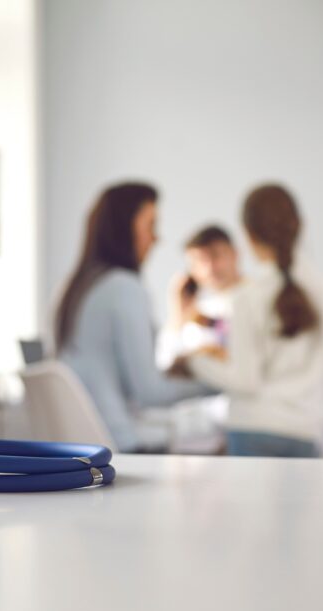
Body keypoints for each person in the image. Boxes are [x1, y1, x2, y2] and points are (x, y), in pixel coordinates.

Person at [56, 182, 209, 452]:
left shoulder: (77, 288)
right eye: (151, 226)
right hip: (120, 446)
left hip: (82, 446)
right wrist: (215, 383)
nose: (156, 238)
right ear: (124, 228)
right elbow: (150, 393)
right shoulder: (125, 288)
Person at [183, 184, 323, 457]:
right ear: (300, 226)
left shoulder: (248, 297)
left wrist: (194, 362)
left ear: (247, 237)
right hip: (305, 430)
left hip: (253, 428)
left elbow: (244, 380)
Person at [156, 225, 242, 369]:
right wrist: (178, 315)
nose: (210, 268)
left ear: (234, 254)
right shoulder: (195, 315)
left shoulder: (259, 298)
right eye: (200, 260)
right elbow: (164, 363)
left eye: (215, 255)